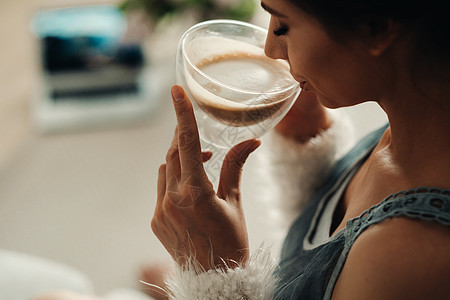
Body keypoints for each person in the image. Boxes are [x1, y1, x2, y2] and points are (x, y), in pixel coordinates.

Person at [150, 0, 450, 299]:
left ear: (377, 29)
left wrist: (214, 276)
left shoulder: (405, 257)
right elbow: (325, 269)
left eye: (282, 26)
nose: (270, 48)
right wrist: (310, 147)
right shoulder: (413, 131)